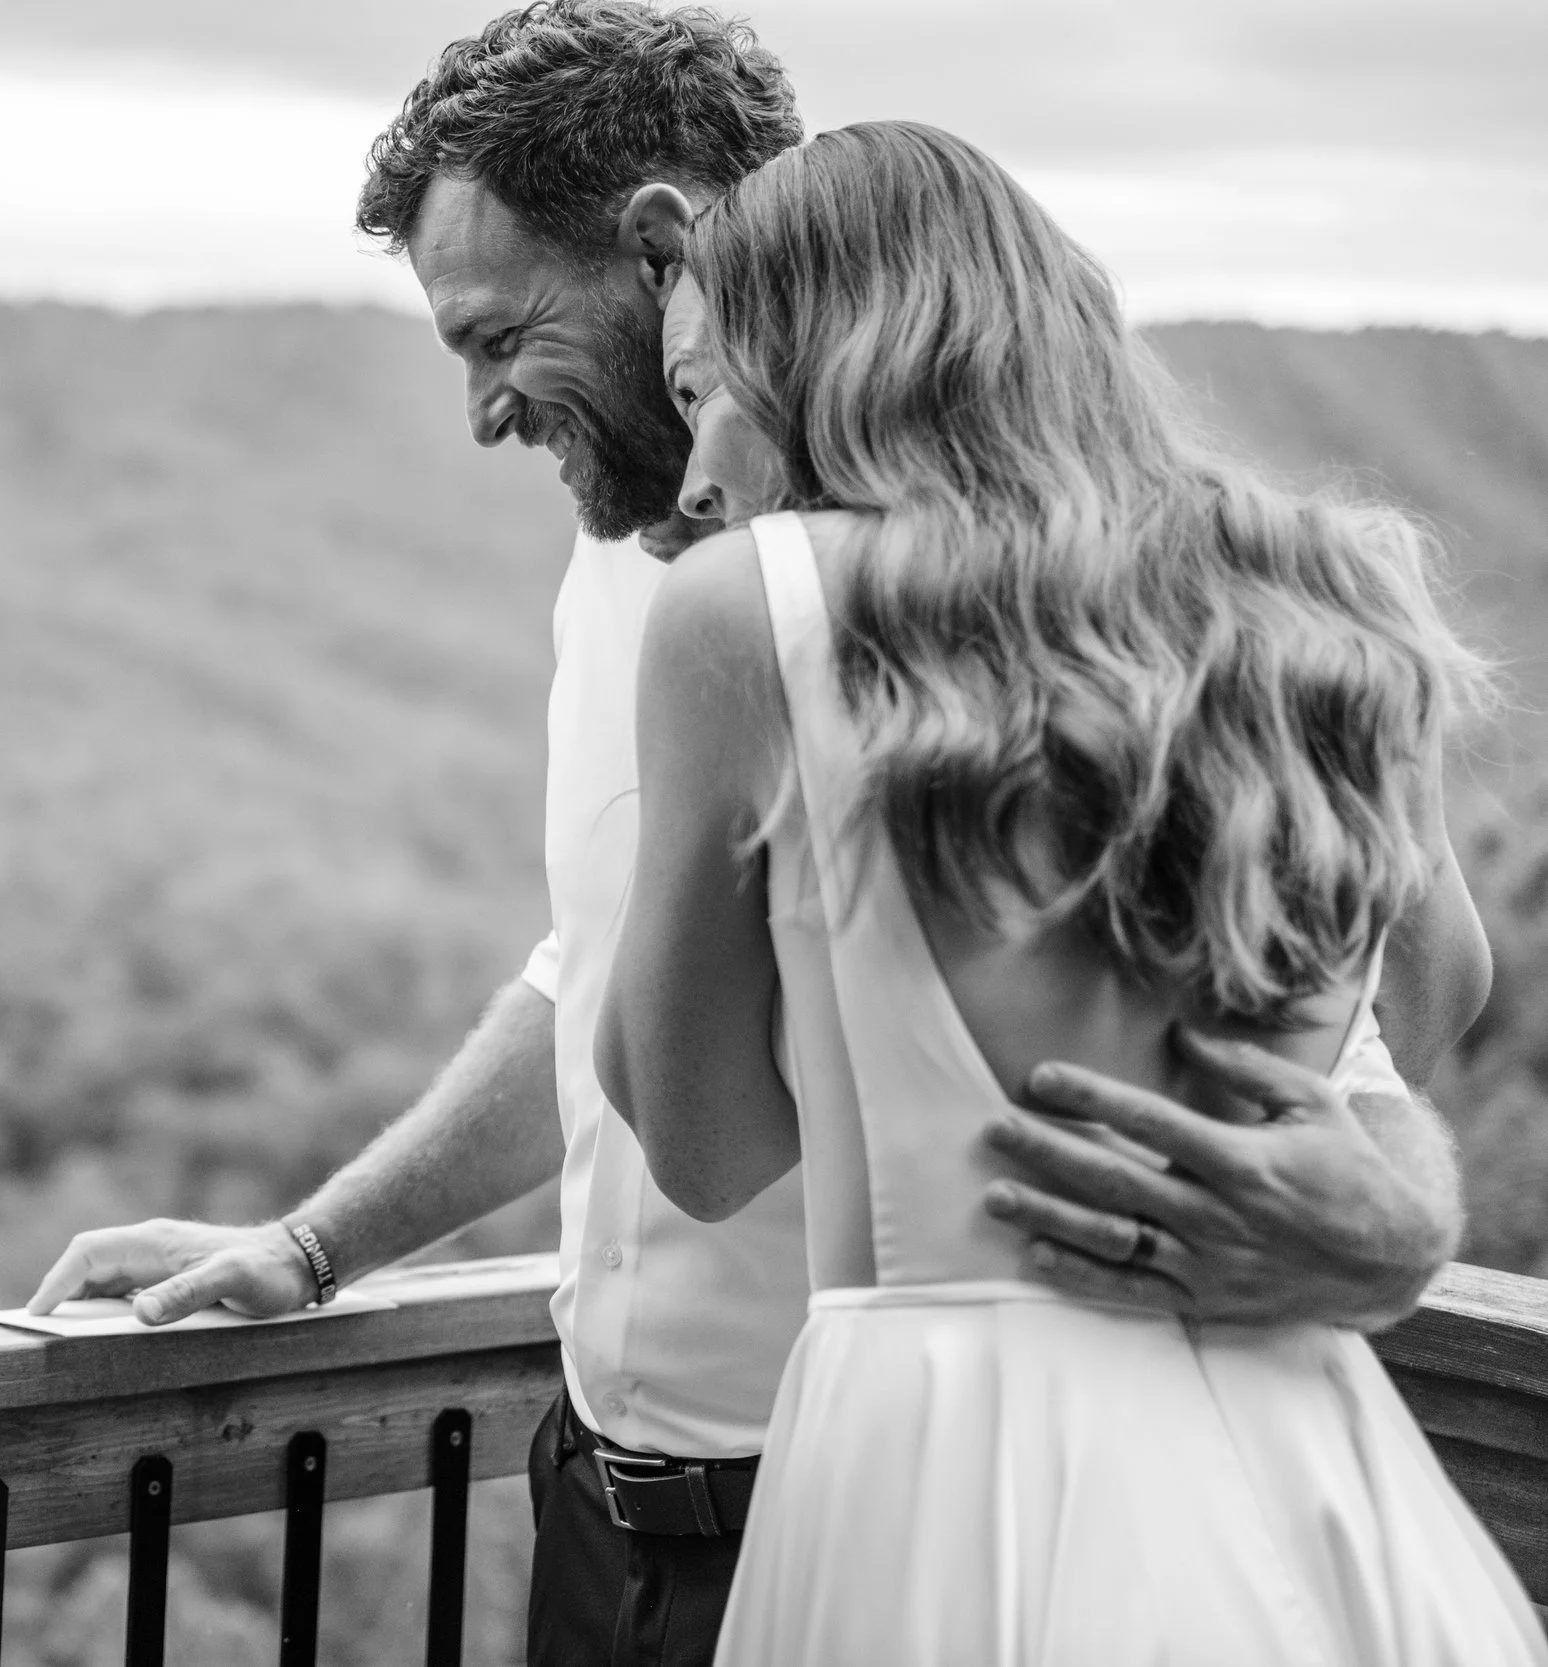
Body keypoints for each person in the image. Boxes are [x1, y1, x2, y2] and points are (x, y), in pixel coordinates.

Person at [28, 6, 1487, 1663]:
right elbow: (585, 966)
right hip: (675, 1489)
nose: (487, 409)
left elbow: (694, 1124)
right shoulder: (1281, 595)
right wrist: (315, 1243)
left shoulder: (747, 608)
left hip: (862, 1484)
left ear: (674, 258)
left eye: (500, 337)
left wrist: (1342, 1205)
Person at [596, 119, 1540, 1664]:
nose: (695, 475)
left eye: (705, 393)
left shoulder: (745, 613)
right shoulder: (1328, 599)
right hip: (1301, 1444)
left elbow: (703, 1147)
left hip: (944, 1460)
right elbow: (1441, 983)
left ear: (831, 355)